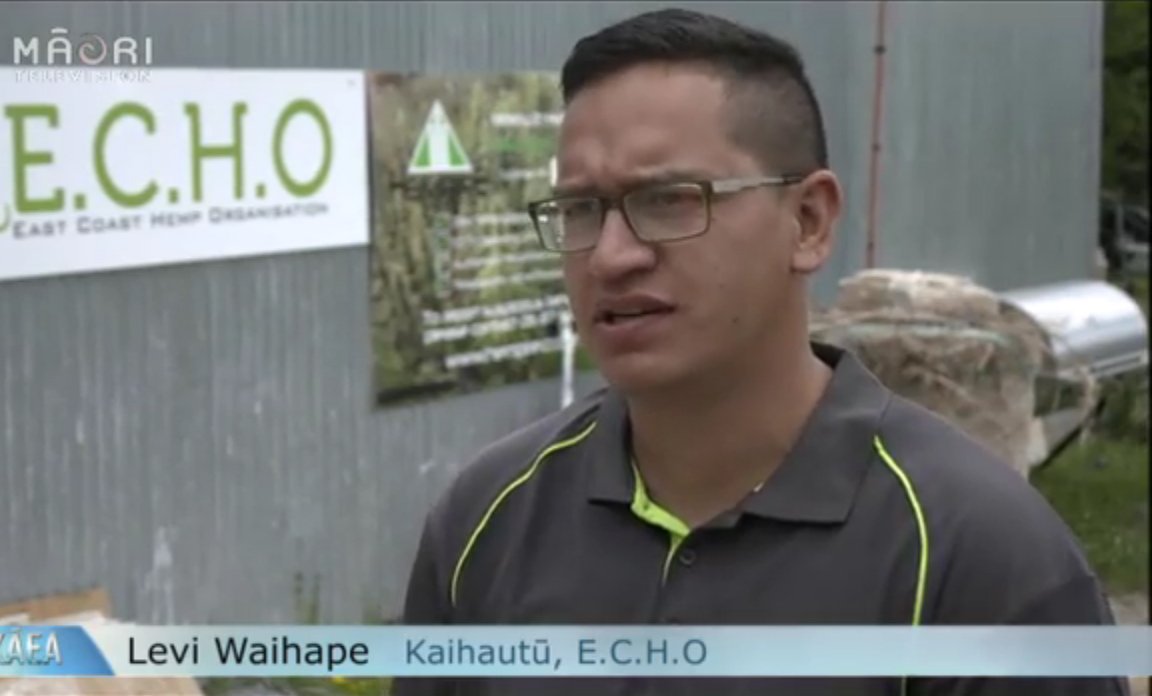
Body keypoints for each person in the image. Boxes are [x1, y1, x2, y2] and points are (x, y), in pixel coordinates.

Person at [392, 9, 1129, 696]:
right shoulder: (488, 519)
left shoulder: (981, 559)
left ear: (808, 221)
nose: (611, 256)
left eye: (669, 199)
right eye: (581, 209)